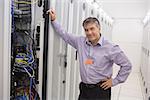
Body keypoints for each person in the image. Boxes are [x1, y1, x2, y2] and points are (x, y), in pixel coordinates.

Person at [47, 9, 132, 100]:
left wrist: (115, 81)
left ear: (99, 28)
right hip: (84, 89)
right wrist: (53, 20)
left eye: (92, 29)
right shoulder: (80, 42)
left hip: (101, 90)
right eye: (86, 30)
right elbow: (65, 35)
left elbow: (127, 65)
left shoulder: (110, 47)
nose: (89, 33)